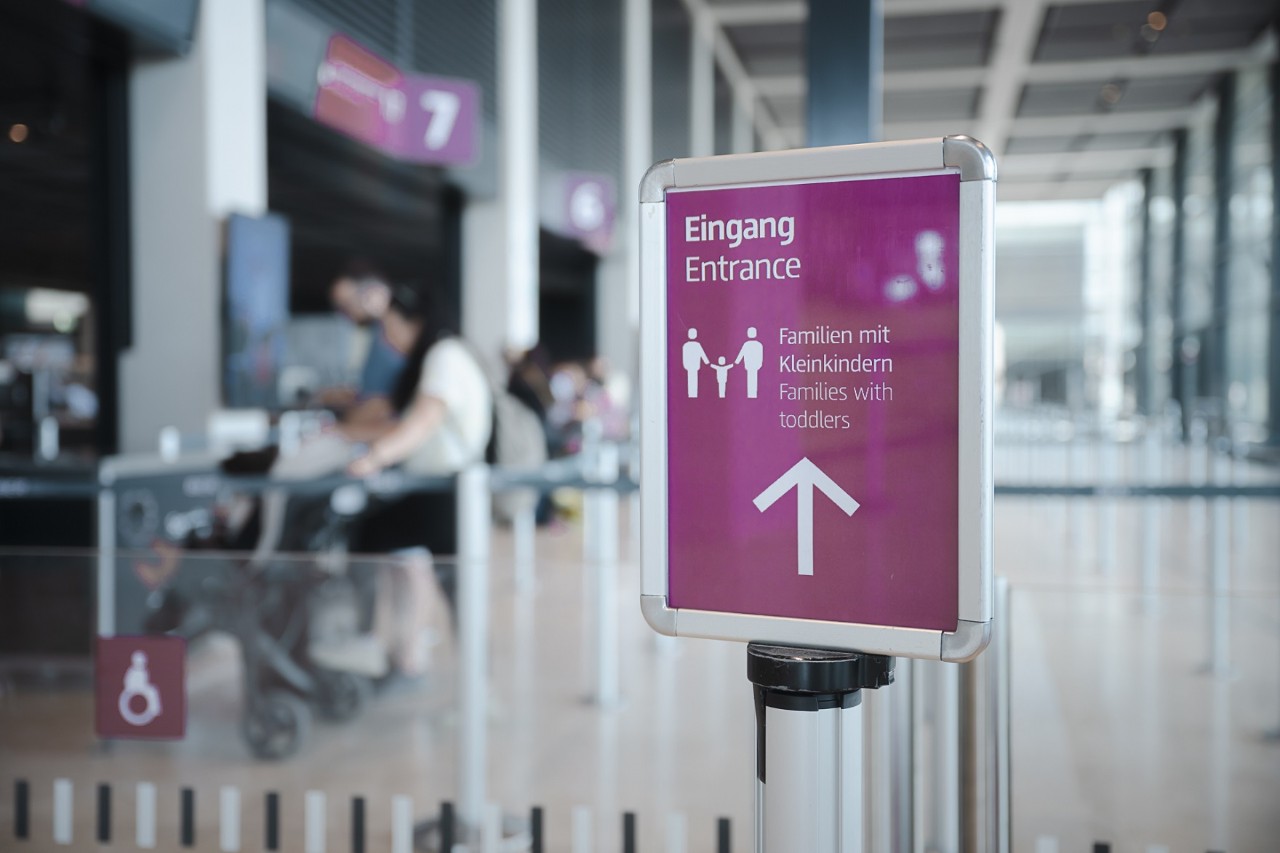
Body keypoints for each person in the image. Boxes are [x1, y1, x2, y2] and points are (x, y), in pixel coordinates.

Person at [321, 262, 405, 426]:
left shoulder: (394, 336)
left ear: (375, 294)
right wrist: (354, 396)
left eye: (347, 304)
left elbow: (383, 403)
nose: (346, 315)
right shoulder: (377, 334)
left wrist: (341, 429)